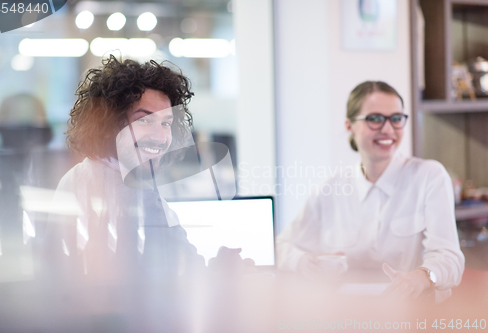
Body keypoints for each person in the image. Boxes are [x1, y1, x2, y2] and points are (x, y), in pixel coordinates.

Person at [37, 56, 245, 332]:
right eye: (144, 120)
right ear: (111, 123)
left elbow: (177, 267)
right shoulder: (100, 187)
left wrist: (217, 269)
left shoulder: (131, 184)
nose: (160, 137)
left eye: (166, 124)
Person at [276, 81, 464, 302]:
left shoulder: (429, 177)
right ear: (349, 125)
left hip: (414, 314)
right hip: (346, 313)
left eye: (396, 118)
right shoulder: (330, 189)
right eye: (374, 119)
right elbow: (281, 246)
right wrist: (302, 261)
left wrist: (423, 277)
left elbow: (449, 257)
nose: (387, 129)